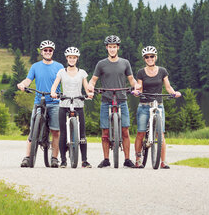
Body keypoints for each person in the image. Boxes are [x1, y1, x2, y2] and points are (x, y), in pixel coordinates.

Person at [87, 35, 141, 168]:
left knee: (125, 131)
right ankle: (106, 159)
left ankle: (127, 159)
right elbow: (93, 80)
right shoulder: (101, 64)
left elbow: (131, 79)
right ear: (107, 48)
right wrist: (90, 87)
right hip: (106, 99)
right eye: (110, 47)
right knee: (105, 131)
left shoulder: (125, 63)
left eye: (114, 47)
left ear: (118, 48)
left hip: (122, 99)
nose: (112, 49)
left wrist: (136, 86)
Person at [17, 40, 63, 168]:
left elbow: (66, 79)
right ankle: (27, 157)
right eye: (45, 50)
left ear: (53, 52)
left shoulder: (59, 67)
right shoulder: (35, 66)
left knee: (55, 131)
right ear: (41, 52)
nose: (48, 52)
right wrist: (22, 85)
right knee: (33, 130)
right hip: (39, 102)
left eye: (50, 50)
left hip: (54, 102)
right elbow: (28, 80)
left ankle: (54, 158)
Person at [134, 46, 181, 169]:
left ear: (156, 57)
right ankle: (138, 159)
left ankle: (163, 161)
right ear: (144, 59)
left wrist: (174, 92)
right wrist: (137, 91)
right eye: (147, 57)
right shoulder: (141, 72)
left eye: (152, 56)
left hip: (158, 105)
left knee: (160, 134)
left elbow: (168, 87)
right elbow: (139, 86)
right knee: (140, 133)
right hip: (144, 105)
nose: (150, 59)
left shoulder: (162, 71)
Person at [50, 47, 94, 168]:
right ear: (67, 58)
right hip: (64, 104)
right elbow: (54, 85)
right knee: (63, 133)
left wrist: (89, 93)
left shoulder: (82, 73)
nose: (72, 59)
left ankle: (84, 160)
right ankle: (63, 160)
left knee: (82, 134)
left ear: (77, 59)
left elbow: (86, 87)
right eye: (70, 57)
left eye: (74, 58)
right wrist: (53, 92)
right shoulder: (61, 72)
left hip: (78, 104)